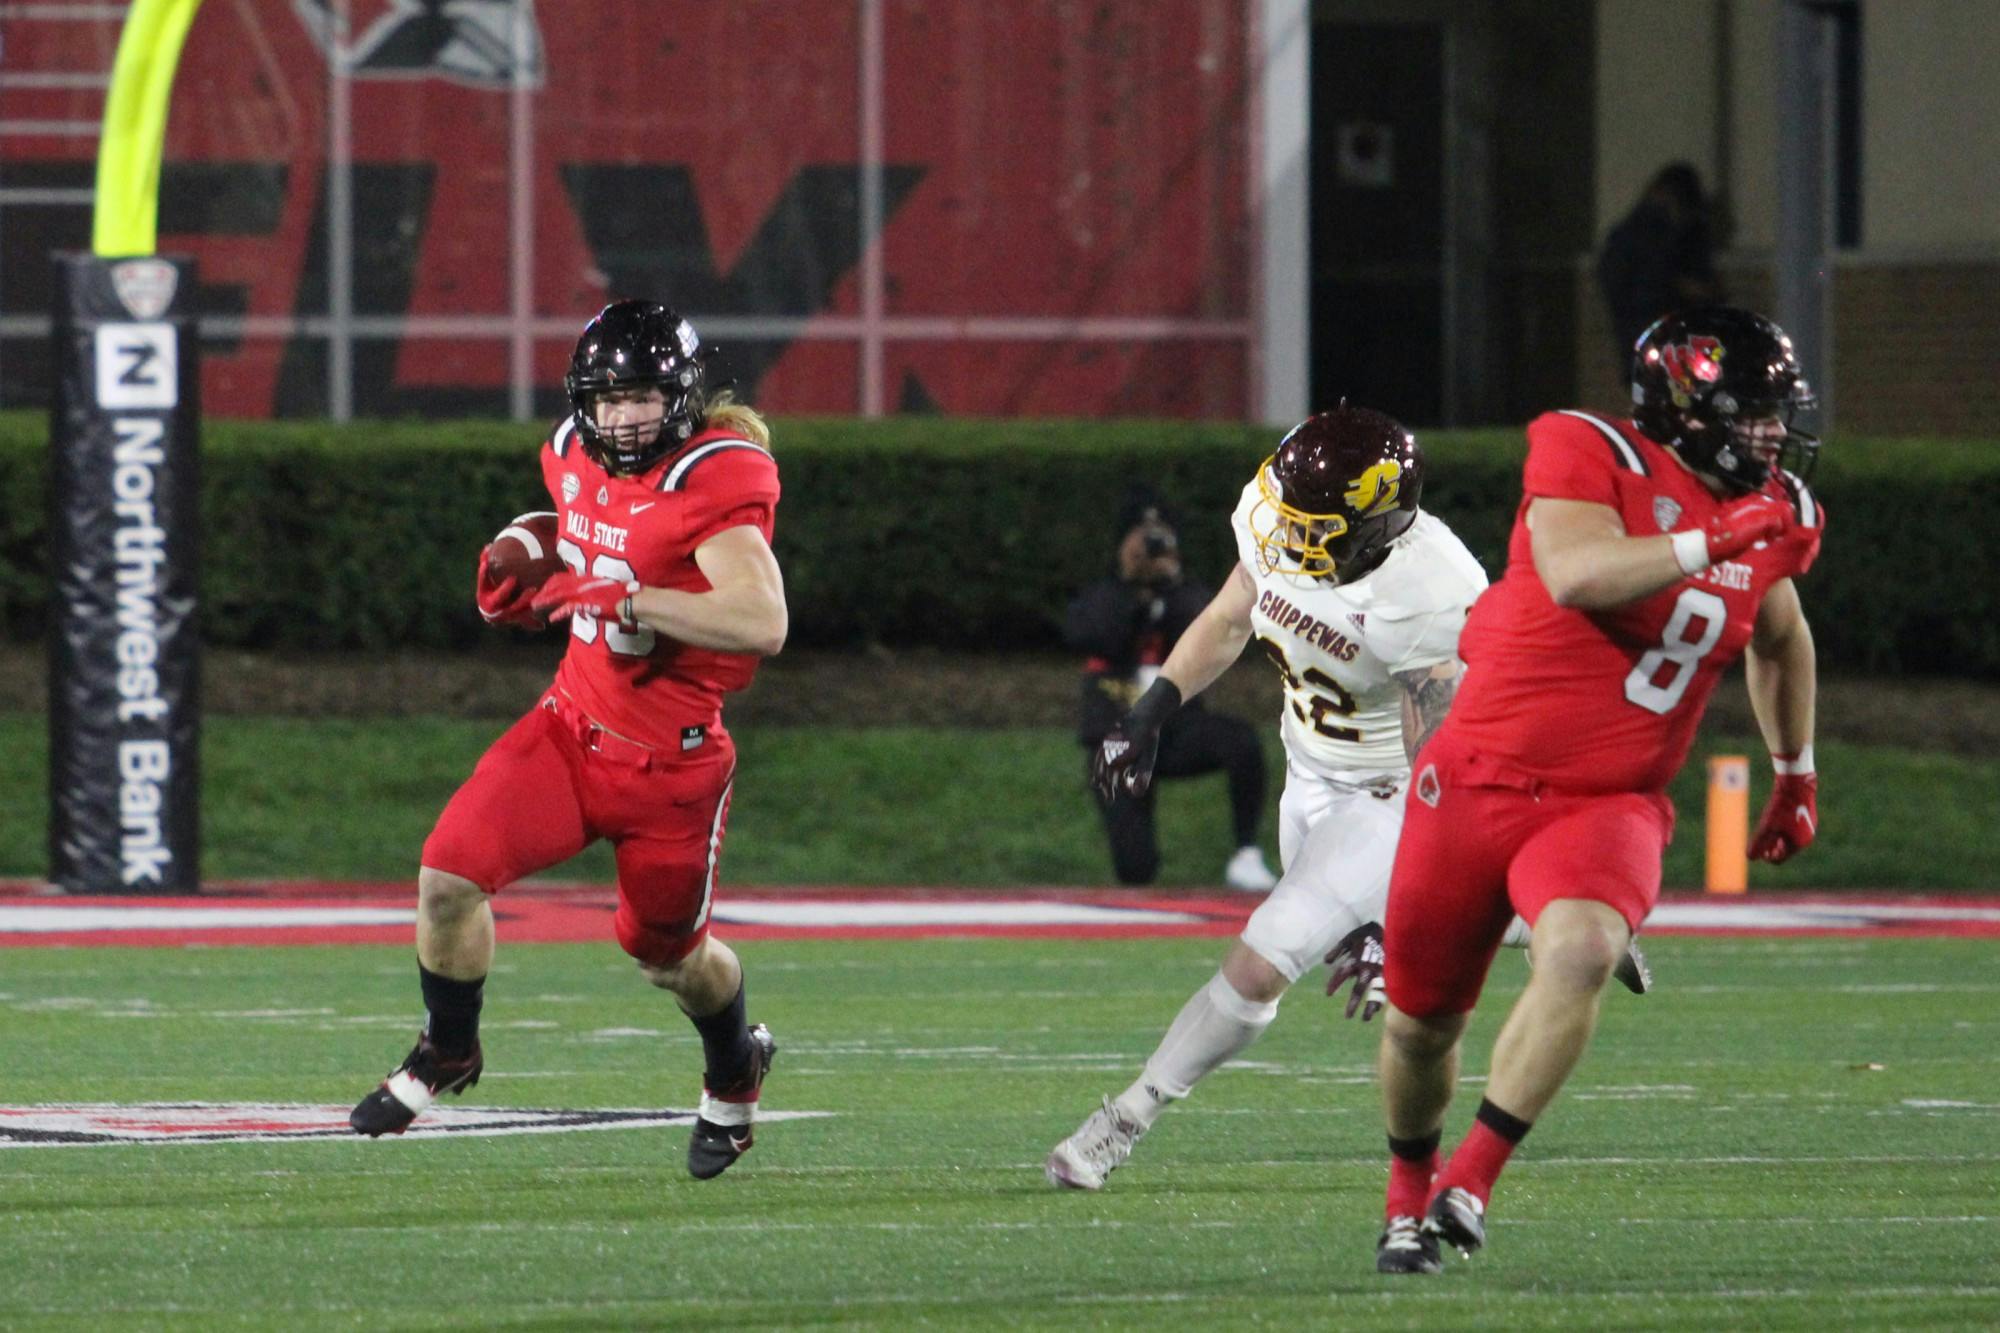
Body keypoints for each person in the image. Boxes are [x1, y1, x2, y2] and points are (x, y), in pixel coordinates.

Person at [1044, 406, 1650, 1193]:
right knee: (1314, 919)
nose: (1293, 542)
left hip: (1397, 789)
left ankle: (1121, 1119)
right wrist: (1151, 713)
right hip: (1311, 776)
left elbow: (1439, 769)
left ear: (1382, 522)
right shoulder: (1278, 513)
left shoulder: (1433, 591)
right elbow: (1231, 616)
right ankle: (1538, 910)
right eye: (1290, 521)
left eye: (1316, 527)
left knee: (1264, 958)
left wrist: (1389, 921)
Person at [1372, 306, 1825, 1274]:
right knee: (1418, 1024)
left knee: (1580, 948)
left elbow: (1778, 634)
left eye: (1775, 414)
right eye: (1750, 414)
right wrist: (1715, 538)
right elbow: (1575, 573)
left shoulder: (1772, 517)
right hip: (1475, 777)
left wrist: (1793, 767)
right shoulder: (1584, 449)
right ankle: (1405, 1191)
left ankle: (1470, 1181)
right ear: (1683, 408)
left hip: (1607, 799)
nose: (1773, 435)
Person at [349, 299, 788, 1181]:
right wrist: (526, 551)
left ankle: (735, 1068)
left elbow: (761, 617)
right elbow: (593, 533)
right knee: (447, 876)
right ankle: (451, 1047)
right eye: (608, 396)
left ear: (684, 396)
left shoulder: (716, 477)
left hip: (672, 765)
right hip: (570, 726)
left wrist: (626, 601)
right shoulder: (570, 449)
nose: (623, 416)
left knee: (671, 960)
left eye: (642, 397)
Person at [1065, 490, 1277, 891]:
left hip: (1177, 729)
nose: (1150, 546)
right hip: (1117, 737)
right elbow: (1088, 634)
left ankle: (1246, 852)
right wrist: (1131, 585)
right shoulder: (1102, 595)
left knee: (1240, 742)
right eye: (1141, 537)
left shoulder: (1184, 592)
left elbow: (1212, 625)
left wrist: (1171, 583)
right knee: (1136, 867)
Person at [1596, 162, 1724, 367]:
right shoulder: (1653, 231)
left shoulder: (1633, 232)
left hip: (1648, 336)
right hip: (1662, 334)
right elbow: (1654, 279)